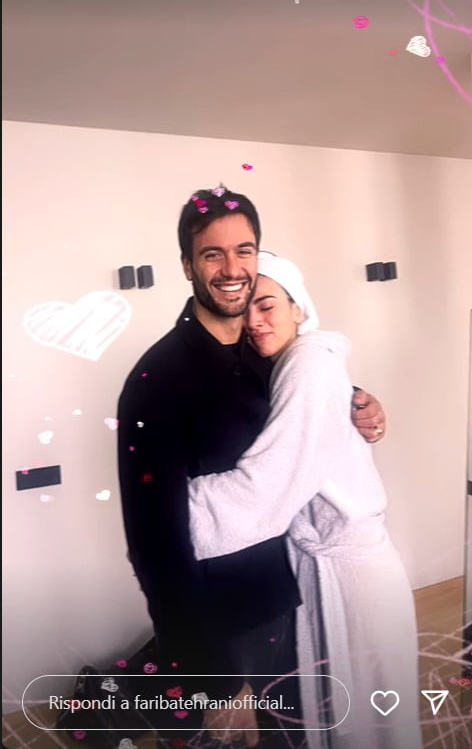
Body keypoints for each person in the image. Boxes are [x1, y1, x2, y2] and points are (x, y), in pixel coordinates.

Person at [117, 188, 386, 747]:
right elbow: (153, 543)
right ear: (187, 265)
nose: (232, 268)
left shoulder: (260, 355)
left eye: (244, 250)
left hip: (284, 600)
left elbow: (300, 416)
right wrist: (212, 678)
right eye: (212, 254)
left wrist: (356, 399)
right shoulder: (157, 380)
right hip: (217, 629)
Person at [187, 252, 422, 749]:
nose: (254, 320)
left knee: (372, 725)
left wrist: (167, 513)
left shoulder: (308, 363)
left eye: (267, 305)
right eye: (246, 308)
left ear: (299, 307)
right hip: (318, 570)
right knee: (351, 719)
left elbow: (268, 484)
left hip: (352, 579)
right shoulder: (277, 366)